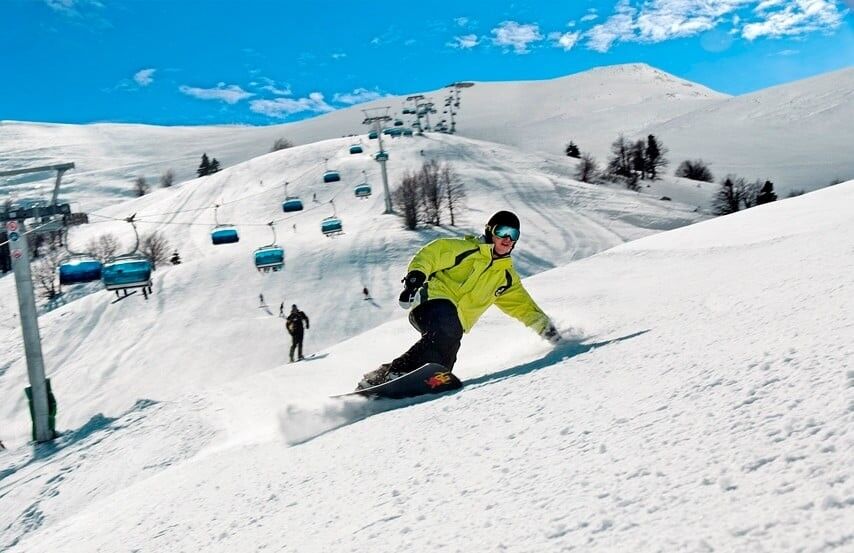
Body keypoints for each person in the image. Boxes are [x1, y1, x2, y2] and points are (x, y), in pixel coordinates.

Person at [358, 210, 561, 389]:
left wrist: (551, 333)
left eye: (513, 234)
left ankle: (378, 378)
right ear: (490, 231)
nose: (507, 238)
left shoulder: (506, 277)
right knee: (447, 328)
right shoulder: (465, 249)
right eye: (502, 232)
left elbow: (524, 307)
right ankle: (399, 372)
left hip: (453, 326)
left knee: (441, 365)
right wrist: (415, 279)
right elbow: (431, 255)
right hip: (432, 303)